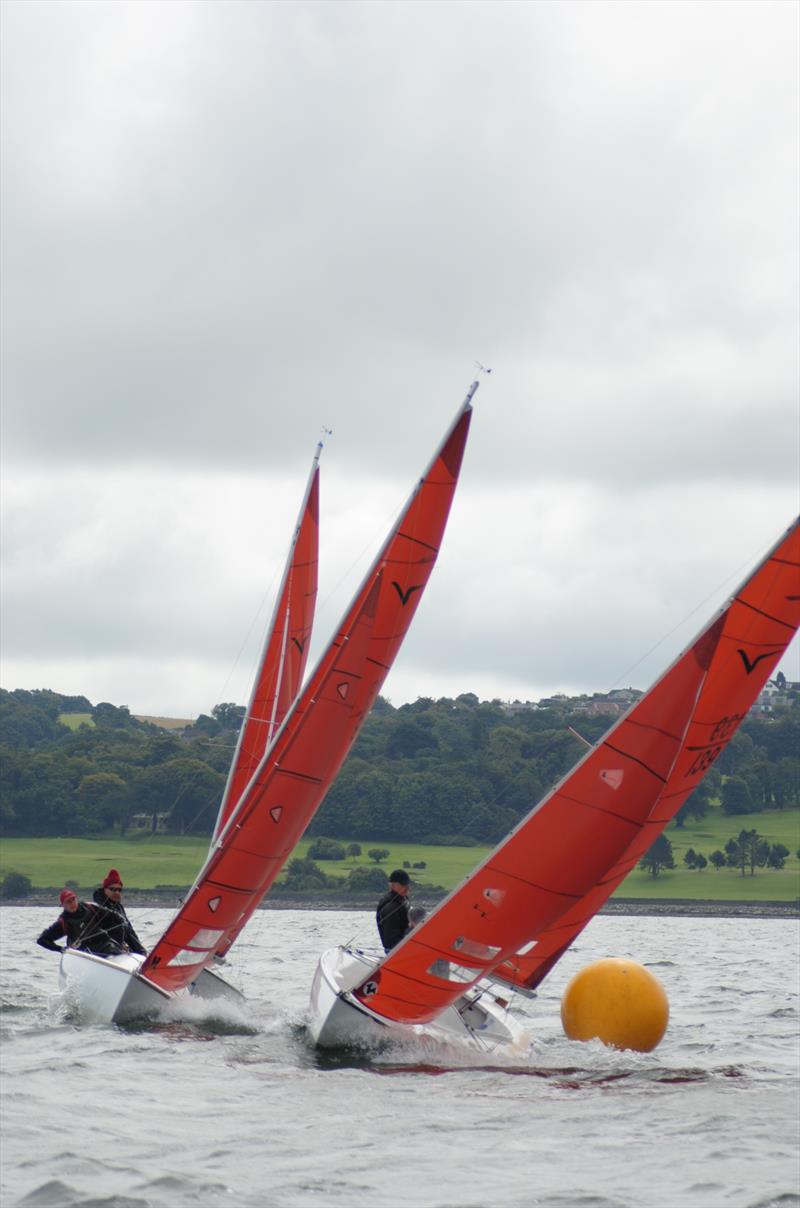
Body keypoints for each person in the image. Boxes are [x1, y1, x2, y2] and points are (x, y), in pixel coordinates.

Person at [36, 889, 120, 956]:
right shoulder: (63, 922)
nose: (72, 903)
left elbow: (113, 916)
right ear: (63, 905)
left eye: (73, 899)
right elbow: (42, 940)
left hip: (104, 944)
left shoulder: (89, 907)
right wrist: (60, 949)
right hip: (83, 953)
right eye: (68, 901)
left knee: (113, 945)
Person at [92, 869, 146, 955]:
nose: (117, 892)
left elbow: (129, 932)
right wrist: (118, 946)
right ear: (105, 890)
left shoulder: (119, 908)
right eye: (113, 889)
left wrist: (141, 951)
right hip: (101, 952)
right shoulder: (97, 907)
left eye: (119, 890)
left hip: (119, 951)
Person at [376, 869, 411, 952]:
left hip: (403, 945)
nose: (407, 887)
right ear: (391, 885)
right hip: (394, 950)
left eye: (407, 884)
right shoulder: (391, 906)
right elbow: (391, 940)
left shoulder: (403, 899)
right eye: (403, 884)